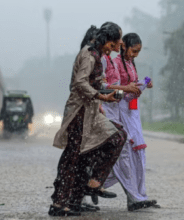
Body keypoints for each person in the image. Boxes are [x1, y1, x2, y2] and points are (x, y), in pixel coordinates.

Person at [49, 22, 127, 216]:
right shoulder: (89, 54)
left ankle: (92, 183)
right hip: (79, 113)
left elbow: (96, 81)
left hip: (92, 111)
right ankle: (60, 203)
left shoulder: (98, 55)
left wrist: (110, 91)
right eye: (113, 44)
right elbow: (80, 83)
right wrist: (101, 96)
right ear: (105, 41)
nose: (116, 49)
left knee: (116, 136)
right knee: (73, 157)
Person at [103, 33, 159, 211]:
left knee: (137, 154)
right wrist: (128, 89)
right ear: (123, 46)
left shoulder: (128, 63)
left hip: (132, 111)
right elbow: (109, 88)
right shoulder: (112, 63)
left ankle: (139, 195)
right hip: (118, 112)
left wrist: (141, 84)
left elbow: (128, 86)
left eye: (138, 52)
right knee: (125, 154)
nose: (136, 55)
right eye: (134, 51)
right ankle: (89, 186)